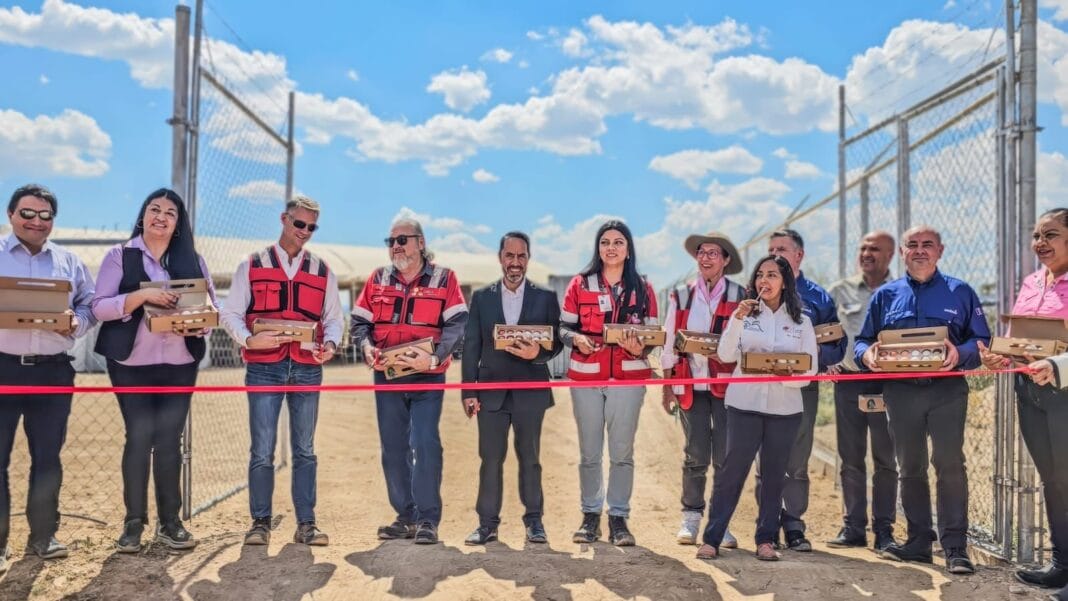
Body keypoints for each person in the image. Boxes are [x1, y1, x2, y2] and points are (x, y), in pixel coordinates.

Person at [856, 225, 990, 574]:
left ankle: (955, 547)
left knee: (949, 465)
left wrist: (959, 354)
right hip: (900, 392)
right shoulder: (885, 296)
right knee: (910, 467)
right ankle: (918, 542)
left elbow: (981, 341)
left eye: (926, 244)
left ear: (940, 251)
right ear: (901, 253)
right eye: (912, 245)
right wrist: (867, 356)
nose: (919, 250)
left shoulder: (961, 292)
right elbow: (861, 341)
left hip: (946, 390)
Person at [92, 188, 214, 553]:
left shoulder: (194, 259)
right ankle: (134, 522)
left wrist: (199, 325)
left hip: (179, 364)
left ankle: (170, 522)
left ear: (179, 223)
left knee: (169, 442)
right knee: (138, 438)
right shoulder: (120, 256)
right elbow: (100, 307)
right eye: (154, 209)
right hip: (131, 365)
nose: (161, 216)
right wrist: (143, 296)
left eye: (170, 212)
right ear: (143, 215)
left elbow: (210, 310)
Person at [220, 195, 342, 547]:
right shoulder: (252, 264)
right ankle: (260, 523)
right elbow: (230, 313)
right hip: (264, 369)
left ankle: (306, 523)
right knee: (262, 450)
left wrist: (330, 346)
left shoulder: (322, 270)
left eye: (312, 227)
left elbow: (334, 319)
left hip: (306, 369)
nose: (305, 232)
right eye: (299, 223)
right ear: (284, 219)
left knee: (305, 449)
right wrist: (247, 340)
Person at [351, 218, 468, 545]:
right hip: (387, 377)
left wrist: (433, 358)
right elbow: (360, 323)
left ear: (420, 242)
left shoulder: (445, 278)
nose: (395, 246)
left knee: (425, 442)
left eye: (402, 239)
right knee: (393, 447)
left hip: (427, 376)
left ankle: (428, 519)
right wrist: (367, 347)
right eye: (390, 241)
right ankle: (406, 515)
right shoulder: (377, 278)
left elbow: (457, 325)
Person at [696, 255, 817, 561]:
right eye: (760, 275)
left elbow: (810, 370)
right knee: (731, 472)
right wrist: (736, 319)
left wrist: (783, 375)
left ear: (785, 282)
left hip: (785, 408)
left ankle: (766, 540)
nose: (765, 280)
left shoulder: (802, 321)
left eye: (773, 275)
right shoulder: (745, 315)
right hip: (744, 404)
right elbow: (724, 355)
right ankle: (712, 537)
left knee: (775, 476)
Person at [0, 184, 95, 570]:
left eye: (45, 216)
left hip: (53, 372)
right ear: (10, 215)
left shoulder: (69, 262)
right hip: (2, 366)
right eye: (28, 213)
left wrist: (77, 322)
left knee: (47, 459)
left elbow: (90, 304)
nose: (36, 222)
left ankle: (43, 536)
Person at [979, 208, 1068, 590]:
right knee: (1053, 479)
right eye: (1036, 236)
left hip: (1064, 390)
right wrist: (1004, 356)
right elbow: (1024, 339)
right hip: (1031, 390)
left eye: (1050, 235)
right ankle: (1062, 563)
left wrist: (1058, 362)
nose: (1040, 243)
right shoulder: (1032, 282)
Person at [560, 220, 657, 547]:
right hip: (586, 377)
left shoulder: (643, 287)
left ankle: (618, 517)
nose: (611, 248)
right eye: (605, 242)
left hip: (628, 379)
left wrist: (640, 347)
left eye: (618, 242)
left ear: (628, 250)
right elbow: (563, 329)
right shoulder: (579, 283)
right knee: (589, 452)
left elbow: (654, 336)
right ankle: (590, 516)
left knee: (621, 452)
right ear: (597, 248)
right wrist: (577, 340)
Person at [460, 231, 562, 545]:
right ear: (500, 257)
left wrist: (538, 354)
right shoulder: (482, 297)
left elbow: (556, 343)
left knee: (530, 458)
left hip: (531, 391)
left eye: (521, 256)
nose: (514, 262)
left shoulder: (545, 297)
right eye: (509, 255)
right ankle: (487, 524)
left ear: (528, 259)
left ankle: (535, 522)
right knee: (490, 459)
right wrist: (469, 391)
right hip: (490, 393)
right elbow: (472, 346)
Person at [660, 231, 745, 547]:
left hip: (727, 386)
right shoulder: (681, 295)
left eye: (714, 253)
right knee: (695, 452)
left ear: (725, 260)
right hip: (691, 383)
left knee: (725, 455)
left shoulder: (740, 294)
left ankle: (720, 524)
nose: (706, 257)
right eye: (702, 252)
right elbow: (669, 340)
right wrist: (667, 386)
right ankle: (691, 517)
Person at [763, 229, 846, 551]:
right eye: (770, 249)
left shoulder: (819, 298)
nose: (774, 254)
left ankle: (794, 526)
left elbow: (836, 344)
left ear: (799, 255)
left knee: (796, 460)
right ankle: (766, 527)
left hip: (801, 389)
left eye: (781, 249)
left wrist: (808, 362)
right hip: (762, 388)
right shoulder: (759, 291)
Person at [825, 231, 899, 552]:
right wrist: (829, 361)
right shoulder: (839, 292)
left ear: (891, 254)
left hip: (887, 385)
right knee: (851, 458)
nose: (867, 254)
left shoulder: (901, 291)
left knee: (885, 459)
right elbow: (823, 331)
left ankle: (884, 530)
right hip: (848, 382)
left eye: (875, 249)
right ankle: (853, 527)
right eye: (863, 248)